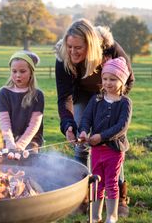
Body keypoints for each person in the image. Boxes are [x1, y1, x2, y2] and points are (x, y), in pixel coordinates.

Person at [54, 19, 134, 216]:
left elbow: (129, 79)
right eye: (69, 46)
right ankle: (82, 195)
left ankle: (119, 195)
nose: (73, 52)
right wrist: (68, 124)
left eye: (78, 47)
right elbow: (65, 97)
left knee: (111, 144)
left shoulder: (109, 49)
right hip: (82, 96)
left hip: (111, 95)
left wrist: (109, 101)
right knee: (81, 143)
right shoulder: (63, 58)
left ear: (90, 45)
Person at [78, 57, 132, 223]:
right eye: (105, 78)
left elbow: (121, 126)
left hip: (114, 150)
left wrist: (101, 136)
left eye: (113, 79)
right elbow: (86, 118)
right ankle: (95, 217)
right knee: (96, 182)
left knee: (111, 182)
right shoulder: (96, 100)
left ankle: (112, 216)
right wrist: (84, 132)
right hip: (96, 150)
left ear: (122, 81)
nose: (108, 83)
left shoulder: (125, 103)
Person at [0, 50, 44, 154]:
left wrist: (21, 144)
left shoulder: (38, 95)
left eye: (22, 71)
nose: (18, 75)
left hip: (31, 140)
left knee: (28, 161)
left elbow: (34, 124)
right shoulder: (4, 93)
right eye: (14, 71)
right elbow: (4, 121)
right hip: (9, 139)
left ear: (31, 72)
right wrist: (10, 144)